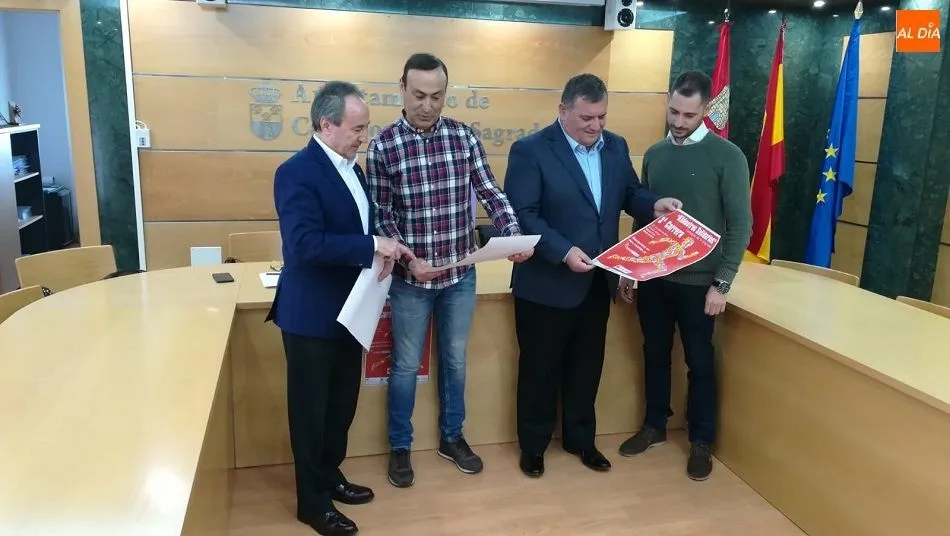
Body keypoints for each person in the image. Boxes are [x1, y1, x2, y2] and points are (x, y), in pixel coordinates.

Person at [366, 52, 533, 488]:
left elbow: (490, 192)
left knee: (455, 361)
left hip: (459, 276)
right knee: (405, 365)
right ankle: (400, 446)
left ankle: (452, 437)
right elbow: (382, 217)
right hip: (410, 282)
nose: (427, 105)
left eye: (436, 96)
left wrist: (513, 235)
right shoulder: (383, 146)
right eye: (419, 95)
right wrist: (409, 259)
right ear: (402, 89)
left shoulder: (464, 137)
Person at [503, 73, 682, 478]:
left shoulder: (615, 146)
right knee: (540, 369)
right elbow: (524, 214)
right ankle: (534, 447)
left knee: (587, 366)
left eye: (601, 117)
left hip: (597, 281)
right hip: (546, 283)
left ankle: (580, 439)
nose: (595, 126)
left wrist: (654, 205)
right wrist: (564, 251)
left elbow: (630, 193)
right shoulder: (531, 150)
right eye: (586, 118)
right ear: (563, 110)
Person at [269, 81, 414, 535]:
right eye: (357, 129)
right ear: (326, 125)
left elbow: (358, 231)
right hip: (311, 316)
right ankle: (312, 503)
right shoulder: (295, 172)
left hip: (353, 311)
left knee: (341, 407)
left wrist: (385, 251)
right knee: (311, 413)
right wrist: (371, 245)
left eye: (366, 128)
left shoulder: (356, 170)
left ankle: (330, 476)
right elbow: (304, 244)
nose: (364, 137)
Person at [617, 70, 752, 482]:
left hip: (701, 284)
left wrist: (722, 284)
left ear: (706, 109)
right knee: (654, 353)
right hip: (655, 279)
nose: (678, 121)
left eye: (689, 115)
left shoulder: (728, 156)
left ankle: (701, 440)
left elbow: (740, 225)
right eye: (673, 111)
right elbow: (646, 217)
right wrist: (631, 268)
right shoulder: (655, 154)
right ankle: (654, 425)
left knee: (700, 362)